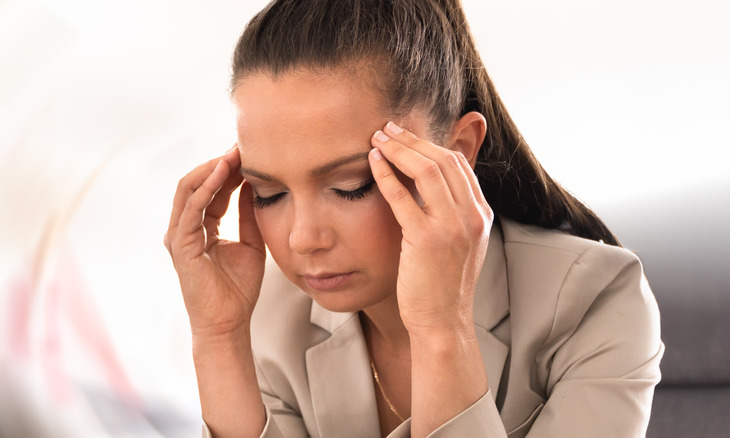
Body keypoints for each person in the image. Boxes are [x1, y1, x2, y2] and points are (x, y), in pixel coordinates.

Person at [164, 0, 663, 436]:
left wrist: (442, 329)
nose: (303, 238)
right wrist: (218, 338)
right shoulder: (268, 312)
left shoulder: (593, 300)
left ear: (458, 152)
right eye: (270, 194)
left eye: (350, 187)